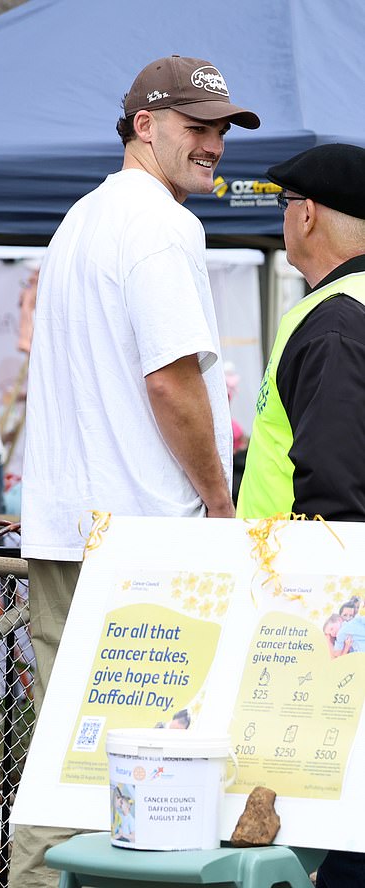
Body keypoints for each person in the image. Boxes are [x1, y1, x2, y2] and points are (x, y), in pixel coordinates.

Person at [13, 55, 259, 887]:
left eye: (221, 129)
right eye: (198, 126)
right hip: (143, 543)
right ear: (143, 127)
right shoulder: (160, 223)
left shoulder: (80, 219)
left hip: (67, 529)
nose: (215, 144)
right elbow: (171, 377)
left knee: (67, 760)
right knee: (156, 776)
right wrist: (220, 504)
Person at [236, 142, 365, 888]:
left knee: (331, 824)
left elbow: (337, 489)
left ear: (306, 214)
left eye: (285, 204)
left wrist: (317, 633)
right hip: (329, 612)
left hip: (317, 618)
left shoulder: (333, 322)